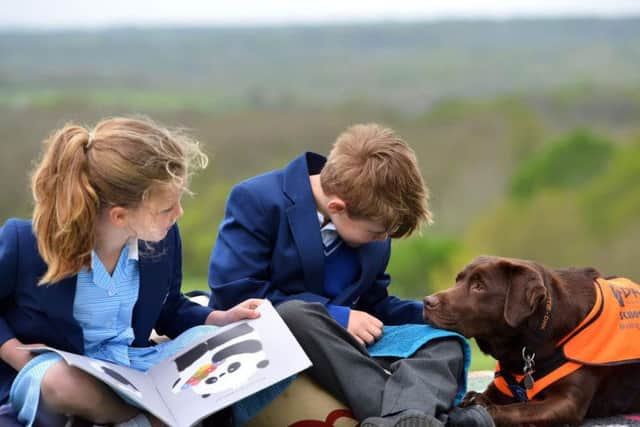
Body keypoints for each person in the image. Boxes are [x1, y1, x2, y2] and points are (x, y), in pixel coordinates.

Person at [208, 123, 494, 427]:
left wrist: (440, 316)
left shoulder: (372, 228)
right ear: (337, 207)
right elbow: (235, 297)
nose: (382, 238)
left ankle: (398, 421)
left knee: (443, 342)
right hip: (279, 343)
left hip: (350, 356)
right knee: (296, 315)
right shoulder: (256, 199)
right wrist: (338, 317)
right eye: (377, 232)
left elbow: (374, 306)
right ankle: (429, 419)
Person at [0, 117, 267, 427]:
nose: (178, 214)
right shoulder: (26, 242)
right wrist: (17, 356)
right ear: (119, 216)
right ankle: (143, 422)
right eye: (167, 208)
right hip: (60, 370)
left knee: (215, 342)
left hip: (135, 366)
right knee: (62, 381)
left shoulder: (163, 240)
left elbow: (169, 309)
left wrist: (219, 319)